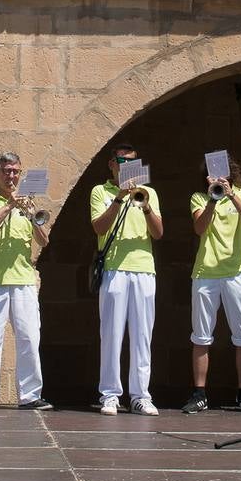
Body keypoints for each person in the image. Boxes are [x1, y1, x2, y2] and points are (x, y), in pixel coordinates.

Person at [0, 152, 52, 413]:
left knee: (29, 338)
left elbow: (44, 241)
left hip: (24, 281)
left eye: (16, 171)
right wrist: (9, 206)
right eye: (6, 171)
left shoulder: (28, 203)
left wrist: (30, 214)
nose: (12, 176)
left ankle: (30, 395)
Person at [181, 158, 241, 415]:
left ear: (231, 173)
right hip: (206, 273)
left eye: (222, 173)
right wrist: (213, 200)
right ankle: (199, 394)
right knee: (201, 336)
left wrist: (231, 196)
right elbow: (199, 227)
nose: (217, 177)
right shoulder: (198, 197)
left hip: (237, 273)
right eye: (212, 173)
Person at [89, 141, 163, 416]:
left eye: (131, 161)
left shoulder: (148, 193)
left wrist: (143, 205)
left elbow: (158, 233)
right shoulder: (101, 191)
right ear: (111, 165)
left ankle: (141, 395)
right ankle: (110, 394)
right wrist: (119, 197)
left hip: (144, 268)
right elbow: (98, 226)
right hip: (114, 269)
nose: (126, 166)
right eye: (121, 162)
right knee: (111, 334)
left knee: (143, 335)